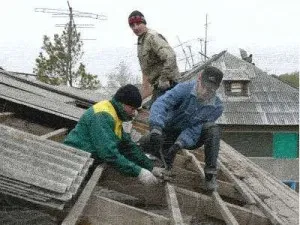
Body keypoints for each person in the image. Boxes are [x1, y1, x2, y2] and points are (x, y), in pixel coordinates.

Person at [140, 66, 224, 191]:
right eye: (204, 87)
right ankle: (162, 151)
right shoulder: (183, 89)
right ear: (199, 79)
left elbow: (196, 128)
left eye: (211, 90)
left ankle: (210, 174)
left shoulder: (216, 107)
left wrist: (179, 144)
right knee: (145, 143)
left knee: (212, 129)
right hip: (168, 132)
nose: (206, 92)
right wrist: (156, 127)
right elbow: (161, 103)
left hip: (191, 138)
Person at [64, 84, 164, 186]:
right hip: (73, 160)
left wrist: (151, 167)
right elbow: (108, 153)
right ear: (123, 103)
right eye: (132, 108)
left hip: (87, 159)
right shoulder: (103, 115)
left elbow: (127, 146)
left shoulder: (114, 113)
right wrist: (139, 172)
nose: (133, 113)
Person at [128, 10, 180, 107]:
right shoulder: (142, 41)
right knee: (147, 112)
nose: (135, 27)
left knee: (156, 116)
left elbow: (170, 56)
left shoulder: (152, 37)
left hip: (168, 85)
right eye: (132, 25)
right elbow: (146, 69)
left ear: (144, 23)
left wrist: (164, 79)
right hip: (158, 87)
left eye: (138, 23)